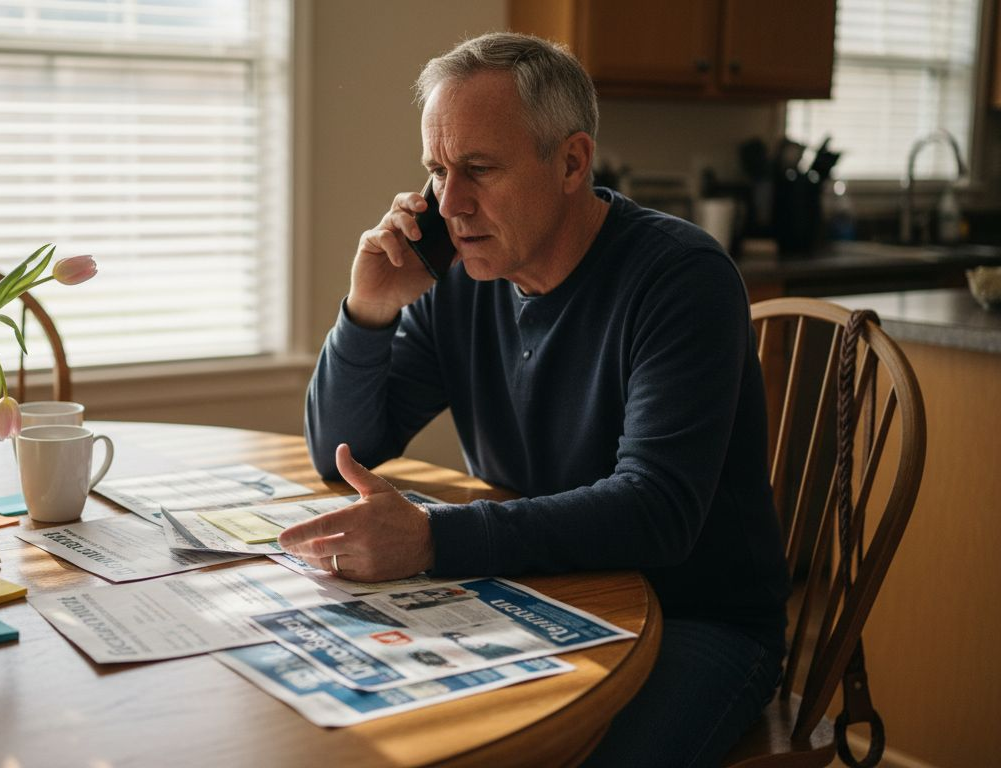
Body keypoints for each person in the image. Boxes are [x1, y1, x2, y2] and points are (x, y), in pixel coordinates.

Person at [276, 32, 791, 766]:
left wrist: (432, 538)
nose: (450, 204)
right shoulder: (460, 274)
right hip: (539, 583)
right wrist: (367, 311)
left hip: (697, 618)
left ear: (572, 162)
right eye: (437, 171)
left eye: (479, 169)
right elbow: (343, 449)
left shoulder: (682, 279)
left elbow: (657, 512)